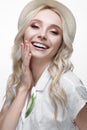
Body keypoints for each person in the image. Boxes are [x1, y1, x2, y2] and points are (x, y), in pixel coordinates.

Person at [0, 0, 87, 129]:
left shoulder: (68, 85)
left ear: (61, 43)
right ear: (23, 33)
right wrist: (23, 88)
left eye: (54, 32)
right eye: (35, 26)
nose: (42, 35)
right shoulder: (16, 83)